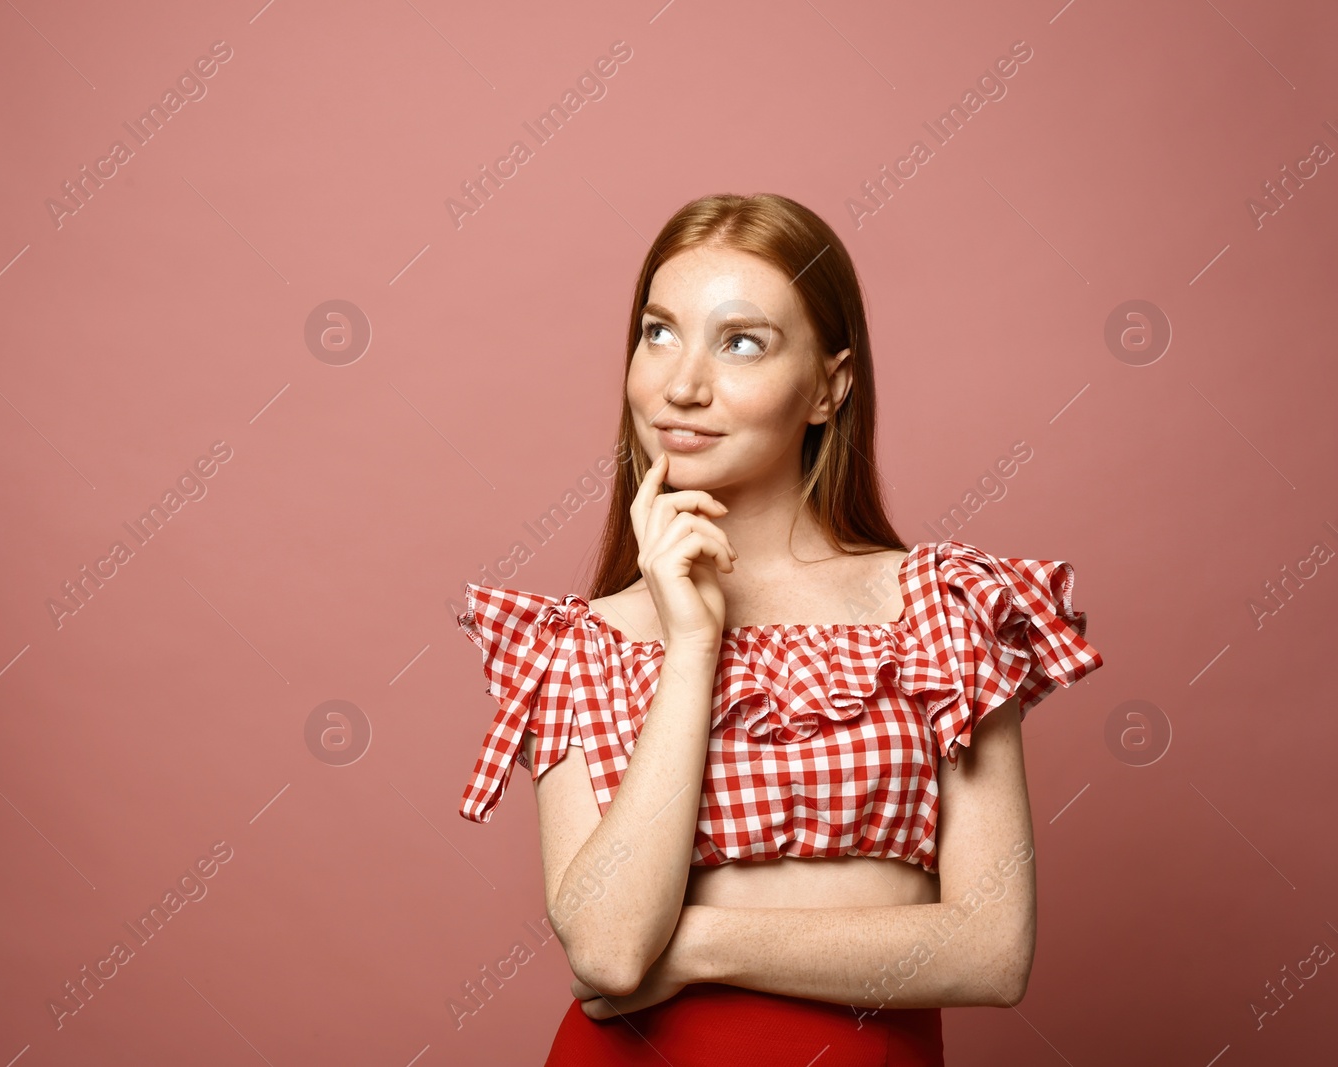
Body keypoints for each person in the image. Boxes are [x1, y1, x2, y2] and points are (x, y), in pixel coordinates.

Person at [455, 192, 1105, 1065]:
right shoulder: (577, 645)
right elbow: (608, 950)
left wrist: (699, 947)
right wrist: (691, 646)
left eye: (741, 341)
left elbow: (993, 947)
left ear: (830, 387)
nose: (682, 384)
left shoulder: (944, 610)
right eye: (658, 332)